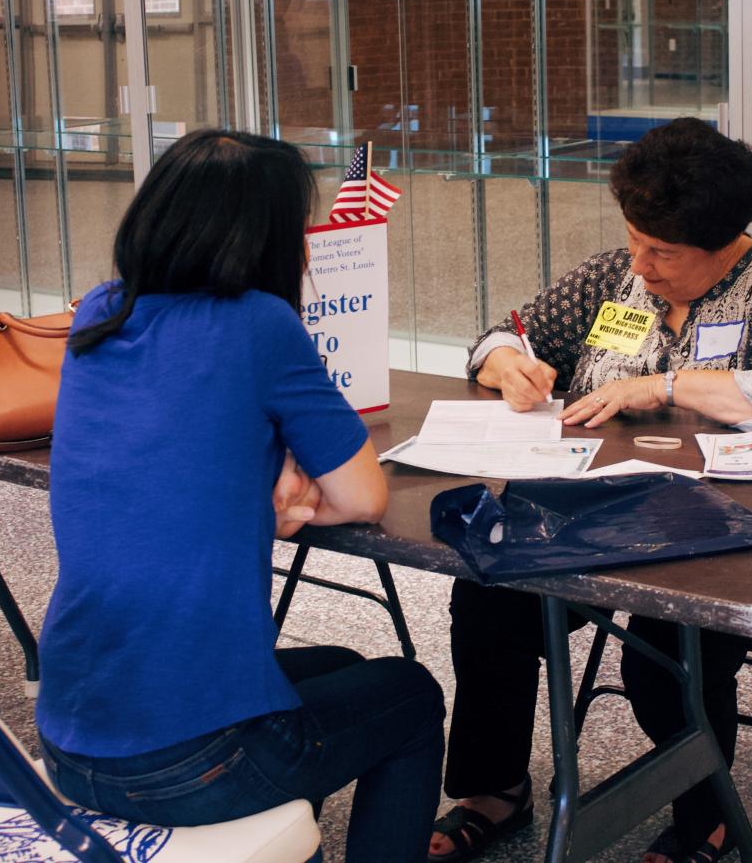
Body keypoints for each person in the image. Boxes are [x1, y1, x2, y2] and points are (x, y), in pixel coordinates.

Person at [429, 118, 752, 863]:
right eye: (634, 241)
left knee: (663, 647)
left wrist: (667, 384)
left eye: (662, 253)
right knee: (487, 597)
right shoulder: (614, 276)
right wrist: (505, 363)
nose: (640, 264)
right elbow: (503, 332)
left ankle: (705, 813)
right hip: (590, 508)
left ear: (724, 245)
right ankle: (494, 789)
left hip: (718, 524)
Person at [36, 129, 445, 863]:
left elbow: (174, 446)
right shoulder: (259, 323)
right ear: (267, 239)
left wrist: (256, 486)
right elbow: (363, 494)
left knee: (344, 666)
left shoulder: (99, 312)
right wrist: (287, 499)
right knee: (410, 696)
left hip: (70, 737)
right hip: (187, 764)